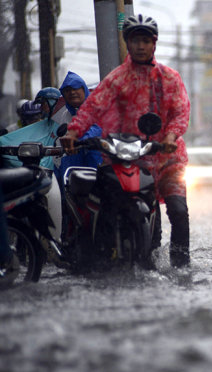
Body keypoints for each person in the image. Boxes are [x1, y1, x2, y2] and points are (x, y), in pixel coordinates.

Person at [60, 14, 191, 268]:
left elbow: (180, 112)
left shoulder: (170, 78)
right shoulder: (117, 78)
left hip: (167, 158)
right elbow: (92, 107)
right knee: (108, 204)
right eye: (135, 41)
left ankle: (181, 265)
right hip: (130, 157)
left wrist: (171, 136)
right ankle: (104, 259)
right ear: (127, 44)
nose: (140, 46)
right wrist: (74, 132)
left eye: (145, 41)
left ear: (154, 44)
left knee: (178, 210)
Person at [51, 71, 103, 185]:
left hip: (97, 161)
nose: (72, 93)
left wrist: (81, 139)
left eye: (75, 88)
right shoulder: (65, 115)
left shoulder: (97, 108)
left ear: (84, 89)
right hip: (73, 166)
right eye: (67, 91)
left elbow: (99, 128)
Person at [0, 87, 63, 169]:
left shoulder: (60, 120)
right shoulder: (13, 129)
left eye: (43, 104)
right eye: (29, 118)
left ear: (52, 102)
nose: (42, 108)